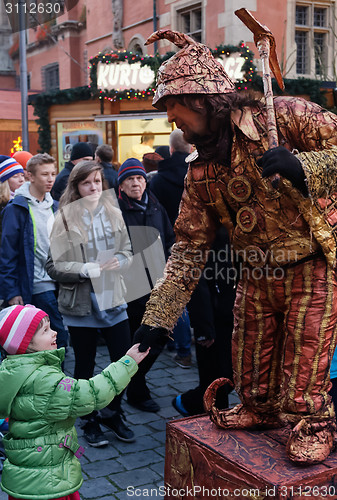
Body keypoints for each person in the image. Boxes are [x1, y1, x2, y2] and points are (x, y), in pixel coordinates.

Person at [134, 29, 337, 465]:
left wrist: (303, 165)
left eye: (174, 105)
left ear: (203, 100)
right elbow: (189, 247)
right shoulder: (199, 172)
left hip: (311, 265)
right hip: (256, 275)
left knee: (305, 367)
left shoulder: (281, 115)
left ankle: (315, 423)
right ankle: (259, 409)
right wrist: (158, 320)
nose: (171, 118)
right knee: (252, 366)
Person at [0, 304, 149, 500]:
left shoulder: (11, 372)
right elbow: (91, 394)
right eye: (45, 330)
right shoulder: (44, 381)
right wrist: (127, 363)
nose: (54, 333)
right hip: (49, 480)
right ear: (25, 343)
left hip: (26, 475)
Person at [46, 160, 135, 447]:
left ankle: (112, 412)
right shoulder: (65, 218)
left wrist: (120, 260)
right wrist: (84, 269)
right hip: (81, 305)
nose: (94, 187)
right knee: (84, 366)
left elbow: (128, 251)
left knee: (123, 362)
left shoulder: (112, 210)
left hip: (113, 298)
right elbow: (53, 266)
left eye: (97, 181)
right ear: (76, 187)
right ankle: (88, 420)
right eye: (87, 183)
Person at [117, 158, 175, 412]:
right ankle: (136, 390)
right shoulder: (117, 210)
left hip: (158, 283)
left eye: (139, 178)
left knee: (158, 337)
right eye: (130, 179)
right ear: (122, 184)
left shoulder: (154, 205)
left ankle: (135, 382)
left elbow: (169, 237)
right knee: (137, 339)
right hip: (131, 286)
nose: (136, 183)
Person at [0, 153, 68, 349]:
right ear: (30, 175)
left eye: (53, 173)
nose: (50, 179)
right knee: (59, 336)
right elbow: (7, 253)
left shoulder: (54, 206)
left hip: (59, 281)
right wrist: (12, 291)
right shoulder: (17, 208)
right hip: (37, 282)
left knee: (49, 338)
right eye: (44, 174)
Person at [0, 156, 25, 240]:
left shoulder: (26, 199)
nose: (21, 179)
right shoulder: (3, 205)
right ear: (5, 181)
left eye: (22, 175)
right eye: (15, 176)